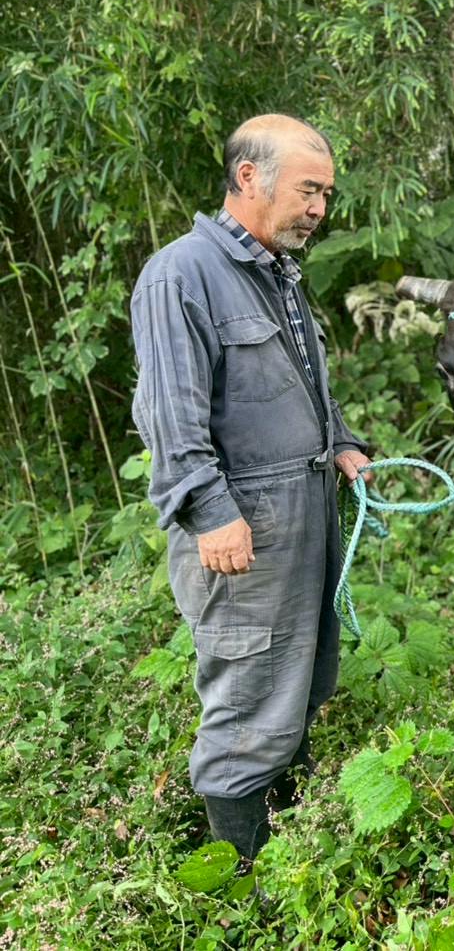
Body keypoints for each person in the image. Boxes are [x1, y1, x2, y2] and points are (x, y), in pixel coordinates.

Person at [130, 114, 372, 861]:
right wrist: (210, 512)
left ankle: (290, 838)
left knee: (301, 677)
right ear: (248, 178)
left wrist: (342, 443)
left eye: (326, 195)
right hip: (244, 525)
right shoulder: (181, 273)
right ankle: (241, 879)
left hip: (306, 510)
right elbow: (170, 415)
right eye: (309, 191)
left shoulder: (277, 270)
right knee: (249, 693)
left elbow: (300, 381)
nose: (319, 209)